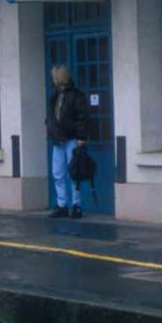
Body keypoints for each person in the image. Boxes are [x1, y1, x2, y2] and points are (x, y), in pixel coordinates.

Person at [46, 64, 90, 219]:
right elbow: (52, 117)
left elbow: (82, 118)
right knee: (58, 173)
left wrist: (81, 137)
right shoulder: (54, 96)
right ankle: (62, 205)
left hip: (72, 139)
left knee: (74, 173)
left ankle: (76, 205)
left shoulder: (77, 96)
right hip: (58, 140)